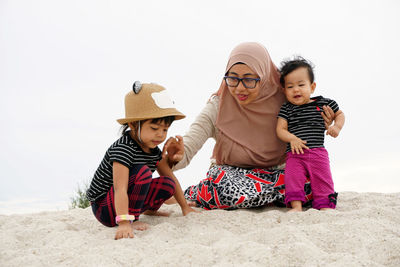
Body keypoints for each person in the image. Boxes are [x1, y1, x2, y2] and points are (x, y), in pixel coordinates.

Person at [164, 42, 335, 210]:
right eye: (232, 79)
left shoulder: (287, 102)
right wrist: (175, 157)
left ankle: (257, 196)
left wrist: (325, 123)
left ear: (265, 77)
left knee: (309, 185)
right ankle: (197, 193)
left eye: (249, 80)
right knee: (223, 187)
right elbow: (189, 144)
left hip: (278, 174)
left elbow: (309, 131)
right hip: (232, 176)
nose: (239, 88)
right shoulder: (219, 106)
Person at [86, 82, 196, 240]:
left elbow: (170, 177)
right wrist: (125, 223)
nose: (160, 135)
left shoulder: (153, 151)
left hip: (124, 201)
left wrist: (184, 207)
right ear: (132, 124)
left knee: (167, 183)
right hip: (104, 207)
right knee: (142, 172)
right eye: (154, 128)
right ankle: (132, 216)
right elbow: (120, 188)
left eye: (165, 130)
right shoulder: (123, 148)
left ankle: (149, 210)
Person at [276, 57, 345, 212]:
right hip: (295, 153)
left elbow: (340, 114)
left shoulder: (323, 103)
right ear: (284, 90)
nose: (296, 89)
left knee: (323, 178)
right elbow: (280, 129)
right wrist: (292, 138)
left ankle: (325, 205)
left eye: (301, 85)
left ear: (312, 87)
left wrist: (337, 127)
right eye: (290, 86)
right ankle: (296, 206)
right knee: (293, 178)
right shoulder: (287, 109)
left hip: (317, 152)